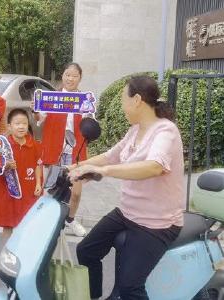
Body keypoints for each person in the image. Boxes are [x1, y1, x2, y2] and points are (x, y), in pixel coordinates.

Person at [69, 75, 185, 299]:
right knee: (86, 251)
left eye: (123, 100)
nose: (122, 106)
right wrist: (75, 166)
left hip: (156, 222)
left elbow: (154, 167)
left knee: (130, 286)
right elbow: (111, 155)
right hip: (127, 213)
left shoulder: (165, 131)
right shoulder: (135, 130)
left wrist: (105, 171)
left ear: (137, 100)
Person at [33, 62, 88, 237]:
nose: (70, 79)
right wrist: (35, 109)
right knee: (51, 189)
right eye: (67, 75)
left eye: (74, 76)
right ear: (62, 76)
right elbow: (40, 119)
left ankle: (70, 219)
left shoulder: (85, 100)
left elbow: (90, 125)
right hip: (55, 149)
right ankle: (47, 220)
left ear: (80, 78)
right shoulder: (52, 98)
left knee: (76, 192)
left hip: (76, 151)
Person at [0, 108, 43, 238]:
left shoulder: (35, 145)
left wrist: (38, 184)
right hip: (10, 193)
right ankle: (7, 256)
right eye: (17, 124)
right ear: (9, 126)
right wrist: (5, 165)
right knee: (8, 224)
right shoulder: (3, 146)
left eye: (24, 123)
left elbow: (38, 165)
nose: (21, 127)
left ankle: (23, 254)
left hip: (29, 191)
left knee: (27, 223)